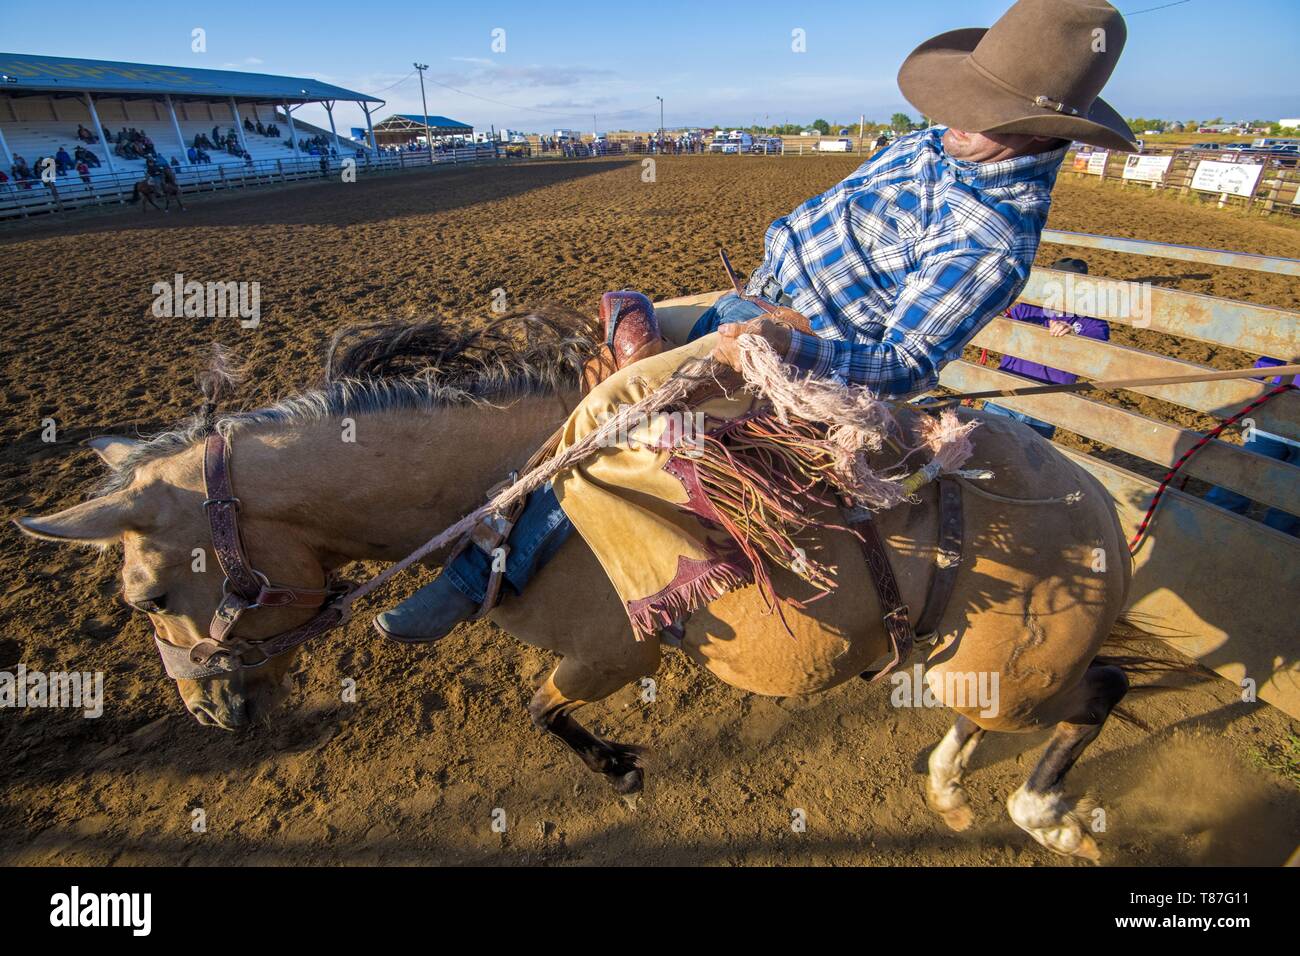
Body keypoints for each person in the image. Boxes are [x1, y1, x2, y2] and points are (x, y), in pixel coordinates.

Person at [375, 0, 1139, 642]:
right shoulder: (944, 145)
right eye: (963, 99)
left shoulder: (991, 232)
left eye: (984, 112)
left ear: (1042, 129)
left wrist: (782, 342)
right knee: (617, 320)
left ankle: (478, 574)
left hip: (803, 362)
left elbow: (905, 361)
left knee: (619, 411)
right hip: (758, 304)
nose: (954, 119)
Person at [981, 257, 1109, 439]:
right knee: (984, 450)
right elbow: (997, 331)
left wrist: (1074, 335)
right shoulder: (1027, 309)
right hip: (1005, 396)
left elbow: (1100, 354)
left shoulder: (1091, 322)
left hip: (1044, 408)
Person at [1203, 358, 1298, 536]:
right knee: (1243, 474)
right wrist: (1249, 386)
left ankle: (1271, 550)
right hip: (1278, 410)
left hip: (1278, 409)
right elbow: (1274, 352)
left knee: (1292, 500)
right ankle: (1207, 529)